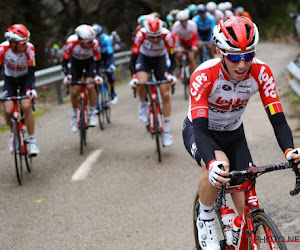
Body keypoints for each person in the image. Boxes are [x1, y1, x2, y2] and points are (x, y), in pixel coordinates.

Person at [182, 16, 300, 249]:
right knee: (219, 166)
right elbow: (201, 129)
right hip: (201, 131)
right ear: (220, 52)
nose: (242, 64)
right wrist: (212, 163)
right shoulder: (204, 75)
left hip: (234, 133)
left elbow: (277, 119)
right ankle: (205, 218)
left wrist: (290, 151)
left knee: (248, 209)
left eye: (248, 56)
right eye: (234, 57)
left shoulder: (261, 72)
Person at [129, 16, 177, 147]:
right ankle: (143, 103)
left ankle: (166, 131)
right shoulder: (140, 35)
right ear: (147, 33)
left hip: (160, 60)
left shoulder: (167, 36)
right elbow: (133, 58)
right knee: (142, 82)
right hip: (143, 59)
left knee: (165, 93)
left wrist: (171, 74)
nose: (155, 39)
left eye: (157, 36)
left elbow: (173, 58)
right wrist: (134, 76)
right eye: (152, 37)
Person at [0, 24, 40, 156]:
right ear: (13, 43)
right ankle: (13, 134)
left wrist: (31, 89)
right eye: (23, 43)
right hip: (10, 80)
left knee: (26, 105)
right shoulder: (3, 48)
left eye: (26, 42)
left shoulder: (30, 49)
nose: (26, 45)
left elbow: (31, 72)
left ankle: (33, 141)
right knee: (8, 109)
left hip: (25, 79)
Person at [61, 24, 103, 132]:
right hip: (76, 64)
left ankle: (93, 112)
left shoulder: (94, 44)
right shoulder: (71, 43)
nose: (91, 43)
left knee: (90, 86)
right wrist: (67, 75)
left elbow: (98, 61)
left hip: (89, 64)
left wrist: (97, 75)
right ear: (80, 40)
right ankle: (75, 115)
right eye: (88, 42)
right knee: (74, 91)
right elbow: (64, 62)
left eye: (92, 41)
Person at [92, 24, 118, 104]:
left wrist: (111, 65)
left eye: (98, 37)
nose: (97, 39)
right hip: (96, 59)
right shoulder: (92, 42)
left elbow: (110, 55)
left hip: (106, 57)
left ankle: (113, 92)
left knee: (109, 74)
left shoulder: (106, 39)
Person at [172, 9, 198, 75]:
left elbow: (195, 37)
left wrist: (194, 46)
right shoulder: (176, 26)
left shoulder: (192, 24)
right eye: (181, 21)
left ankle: (194, 74)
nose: (183, 23)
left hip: (190, 42)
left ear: (187, 19)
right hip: (181, 42)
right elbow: (174, 38)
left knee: (191, 57)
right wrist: (175, 46)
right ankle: (180, 66)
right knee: (179, 54)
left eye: (185, 21)